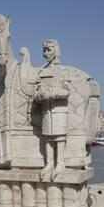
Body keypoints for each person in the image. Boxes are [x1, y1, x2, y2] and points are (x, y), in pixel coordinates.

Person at [34, 39, 71, 180]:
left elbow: (67, 91)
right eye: (44, 50)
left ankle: (60, 163)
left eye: (49, 49)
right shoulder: (42, 72)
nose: (45, 53)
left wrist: (52, 94)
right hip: (45, 110)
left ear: (56, 50)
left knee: (59, 137)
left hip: (59, 110)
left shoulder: (63, 71)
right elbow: (35, 93)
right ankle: (49, 163)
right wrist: (39, 96)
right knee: (47, 137)